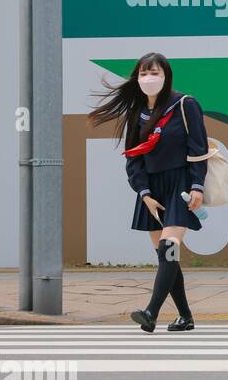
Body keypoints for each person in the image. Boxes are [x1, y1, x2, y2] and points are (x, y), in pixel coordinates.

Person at [89, 52, 209, 332]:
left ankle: (151, 312)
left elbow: (198, 149)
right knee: (166, 256)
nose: (148, 79)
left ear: (166, 77)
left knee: (169, 248)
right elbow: (133, 157)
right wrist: (144, 193)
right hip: (152, 188)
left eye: (154, 73)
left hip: (180, 183)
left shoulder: (185, 104)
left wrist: (197, 186)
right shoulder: (137, 111)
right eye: (143, 74)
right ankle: (185, 316)